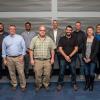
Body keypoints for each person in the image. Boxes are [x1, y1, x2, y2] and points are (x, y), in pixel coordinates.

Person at [29, 25, 56, 92]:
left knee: (47, 74)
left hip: (47, 60)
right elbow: (31, 50)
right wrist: (31, 59)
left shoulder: (49, 39)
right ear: (39, 31)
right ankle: (38, 85)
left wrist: (52, 58)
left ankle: (46, 84)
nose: (42, 32)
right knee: (38, 75)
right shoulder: (34, 39)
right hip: (37, 61)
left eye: (44, 30)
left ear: (45, 31)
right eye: (41, 30)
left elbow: (52, 49)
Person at [2, 25, 26, 91]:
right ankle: (14, 84)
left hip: (19, 58)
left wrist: (22, 56)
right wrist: (4, 59)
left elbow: (24, 47)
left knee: (21, 72)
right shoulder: (5, 39)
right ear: (9, 30)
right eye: (10, 29)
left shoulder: (20, 37)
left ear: (15, 30)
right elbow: (3, 50)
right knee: (11, 72)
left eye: (13, 29)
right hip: (9, 58)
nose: (12, 30)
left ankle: (23, 85)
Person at [57, 25, 78, 91]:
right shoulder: (62, 38)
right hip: (63, 58)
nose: (68, 31)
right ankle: (60, 84)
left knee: (73, 71)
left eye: (70, 30)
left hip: (72, 58)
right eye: (67, 30)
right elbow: (60, 49)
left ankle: (74, 83)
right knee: (61, 71)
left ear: (71, 31)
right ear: (65, 30)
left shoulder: (74, 38)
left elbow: (76, 49)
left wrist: (69, 56)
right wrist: (66, 56)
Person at [82, 26, 99, 91]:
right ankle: (87, 84)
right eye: (88, 30)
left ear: (92, 31)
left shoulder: (96, 40)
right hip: (85, 59)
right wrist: (84, 57)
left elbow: (96, 51)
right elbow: (83, 50)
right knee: (86, 73)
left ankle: (91, 84)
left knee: (91, 73)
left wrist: (90, 59)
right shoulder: (85, 39)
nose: (89, 31)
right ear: (86, 31)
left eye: (90, 30)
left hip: (92, 60)